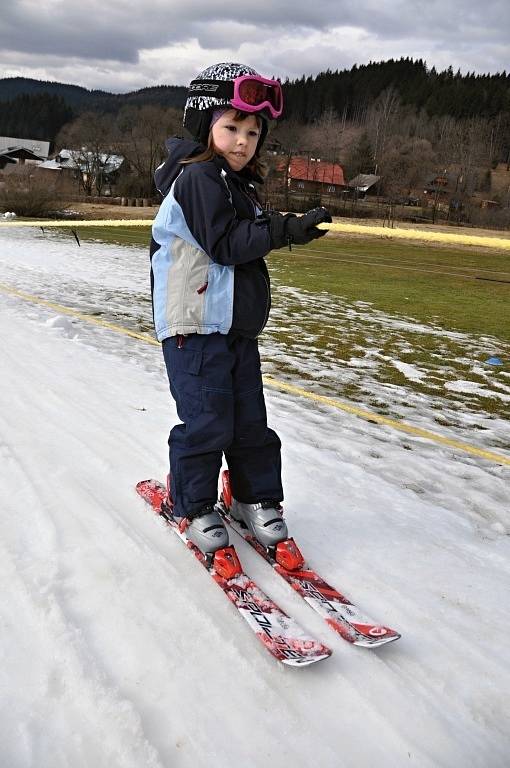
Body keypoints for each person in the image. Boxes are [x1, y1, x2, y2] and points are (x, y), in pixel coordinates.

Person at [150, 62, 331, 556]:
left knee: (250, 421)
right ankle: (193, 503)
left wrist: (281, 227)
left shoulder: (238, 185)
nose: (243, 140)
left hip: (234, 329)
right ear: (203, 125)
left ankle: (255, 497)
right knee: (207, 421)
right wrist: (284, 229)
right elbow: (227, 244)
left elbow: (247, 244)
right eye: (231, 127)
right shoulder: (197, 179)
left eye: (253, 132)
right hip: (195, 327)